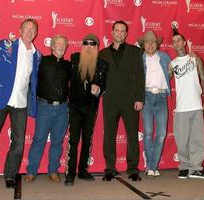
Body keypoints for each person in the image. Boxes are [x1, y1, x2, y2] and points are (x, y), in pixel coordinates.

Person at [0, 19, 41, 188]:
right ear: (20, 30)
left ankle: (10, 175)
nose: (29, 32)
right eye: (26, 28)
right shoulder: (6, 45)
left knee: (18, 143)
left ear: (36, 33)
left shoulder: (37, 55)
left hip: (21, 103)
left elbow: (34, 82)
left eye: (33, 29)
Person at [99, 20, 145, 181]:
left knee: (132, 135)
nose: (119, 33)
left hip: (130, 100)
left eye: (122, 31)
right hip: (110, 100)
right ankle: (110, 168)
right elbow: (99, 77)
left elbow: (140, 76)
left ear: (126, 34)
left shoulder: (135, 52)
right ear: (112, 32)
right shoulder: (102, 53)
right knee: (109, 135)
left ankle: (132, 169)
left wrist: (140, 98)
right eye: (116, 30)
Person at [24, 35, 70, 183]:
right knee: (39, 139)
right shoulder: (41, 61)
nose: (61, 46)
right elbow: (30, 79)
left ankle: (53, 171)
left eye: (63, 44)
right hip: (44, 107)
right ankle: (31, 171)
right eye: (58, 43)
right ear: (52, 46)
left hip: (63, 108)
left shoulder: (69, 65)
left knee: (57, 141)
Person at [65, 34, 108, 186]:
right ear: (82, 46)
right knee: (74, 139)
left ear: (97, 47)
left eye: (93, 44)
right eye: (86, 43)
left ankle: (82, 170)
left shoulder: (103, 64)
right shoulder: (75, 58)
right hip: (75, 106)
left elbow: (104, 87)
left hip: (91, 107)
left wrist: (98, 90)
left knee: (87, 140)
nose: (89, 46)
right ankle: (70, 173)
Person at [169, 28, 204, 179]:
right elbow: (163, 80)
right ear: (173, 45)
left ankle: (196, 168)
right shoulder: (172, 64)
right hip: (181, 107)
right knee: (182, 140)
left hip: (196, 105)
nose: (176, 43)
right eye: (174, 42)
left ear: (185, 42)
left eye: (179, 40)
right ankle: (184, 167)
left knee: (197, 139)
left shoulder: (195, 59)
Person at [138, 30, 171, 176]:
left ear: (157, 44)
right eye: (147, 42)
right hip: (146, 96)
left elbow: (173, 71)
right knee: (148, 132)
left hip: (162, 97)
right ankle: (151, 167)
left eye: (153, 42)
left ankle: (152, 166)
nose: (150, 44)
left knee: (162, 133)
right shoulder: (139, 59)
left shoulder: (164, 57)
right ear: (143, 45)